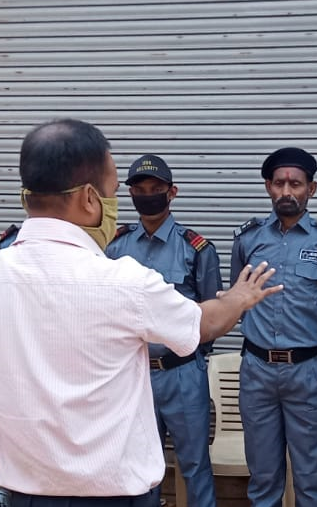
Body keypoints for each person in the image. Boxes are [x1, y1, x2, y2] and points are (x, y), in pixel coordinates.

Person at [0, 118, 283, 507]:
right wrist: (239, 298)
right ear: (89, 198)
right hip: (116, 496)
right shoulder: (125, 281)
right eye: (116, 192)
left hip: (24, 496)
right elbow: (205, 322)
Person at [230, 147, 317, 507]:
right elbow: (236, 301)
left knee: (310, 478)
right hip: (257, 371)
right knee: (263, 476)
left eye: (296, 184)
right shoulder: (247, 238)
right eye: (279, 184)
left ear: (311, 189)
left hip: (307, 373)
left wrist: (315, 336)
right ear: (268, 187)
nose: (286, 191)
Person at [105, 154, 221, 507]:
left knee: (195, 465)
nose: (147, 196)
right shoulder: (115, 246)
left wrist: (187, 353)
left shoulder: (196, 248)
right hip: (132, 374)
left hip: (182, 373)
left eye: (155, 189)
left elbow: (210, 317)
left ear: (172, 192)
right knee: (140, 468)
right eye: (139, 190)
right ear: (129, 194)